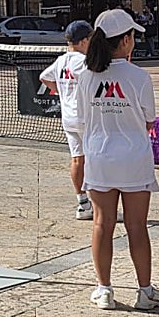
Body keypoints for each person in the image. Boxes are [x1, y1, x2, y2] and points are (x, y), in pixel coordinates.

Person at [70, 9, 159, 311]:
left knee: (102, 224)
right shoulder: (139, 76)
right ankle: (145, 291)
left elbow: (83, 119)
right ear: (126, 40)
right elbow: (150, 119)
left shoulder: (85, 76)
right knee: (137, 226)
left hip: (99, 156)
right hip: (133, 157)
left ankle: (104, 290)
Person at [39, 20, 94, 220]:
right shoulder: (82, 61)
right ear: (84, 40)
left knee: (77, 159)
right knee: (96, 161)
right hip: (86, 118)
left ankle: (82, 203)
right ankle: (101, 205)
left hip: (69, 118)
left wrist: (61, 91)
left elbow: (44, 77)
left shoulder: (61, 61)